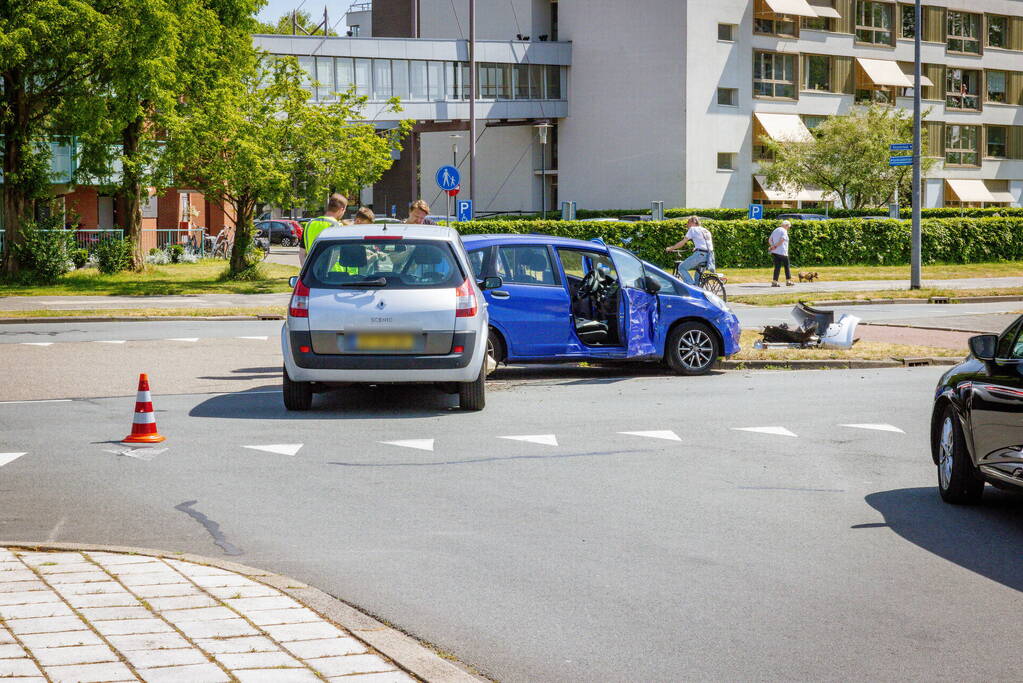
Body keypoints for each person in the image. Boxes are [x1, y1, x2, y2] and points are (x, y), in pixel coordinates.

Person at [665, 215, 715, 286]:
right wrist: (696, 248)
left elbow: (682, 242)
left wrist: (671, 248)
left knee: (681, 267)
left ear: (692, 222)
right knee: (697, 278)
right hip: (709, 256)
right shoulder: (706, 230)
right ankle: (698, 290)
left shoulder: (692, 229)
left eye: (688, 223)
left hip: (700, 255)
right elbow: (705, 243)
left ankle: (692, 288)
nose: (687, 225)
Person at [300, 193, 348, 265]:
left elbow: (302, 254)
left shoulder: (309, 224)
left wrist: (307, 274)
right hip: (336, 273)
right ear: (342, 209)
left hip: (313, 273)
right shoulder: (338, 227)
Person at [769, 220, 793, 287]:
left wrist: (772, 246)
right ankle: (788, 281)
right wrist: (775, 246)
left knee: (777, 267)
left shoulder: (775, 230)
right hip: (782, 252)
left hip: (775, 252)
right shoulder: (784, 231)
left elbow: (770, 239)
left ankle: (774, 282)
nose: (788, 228)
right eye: (788, 227)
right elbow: (782, 240)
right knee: (786, 266)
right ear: (786, 225)